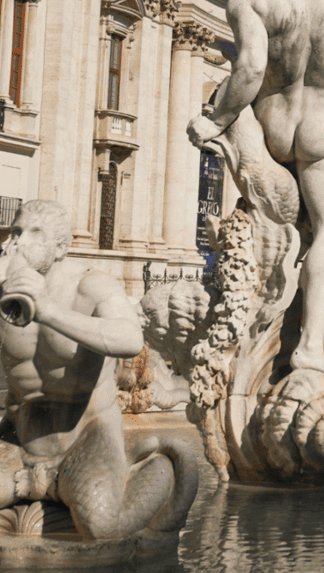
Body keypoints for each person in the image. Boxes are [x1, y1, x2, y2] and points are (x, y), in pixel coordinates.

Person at [188, 0, 324, 375]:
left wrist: (217, 119)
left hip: (274, 124)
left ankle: (253, 329)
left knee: (267, 225)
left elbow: (249, 71)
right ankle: (308, 345)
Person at [0, 200, 196, 539]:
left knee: (101, 527)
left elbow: (130, 338)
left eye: (35, 234)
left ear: (61, 247)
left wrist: (48, 312)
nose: (20, 242)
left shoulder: (91, 287)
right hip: (20, 438)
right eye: (16, 232)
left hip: (85, 436)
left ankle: (155, 468)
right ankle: (38, 484)